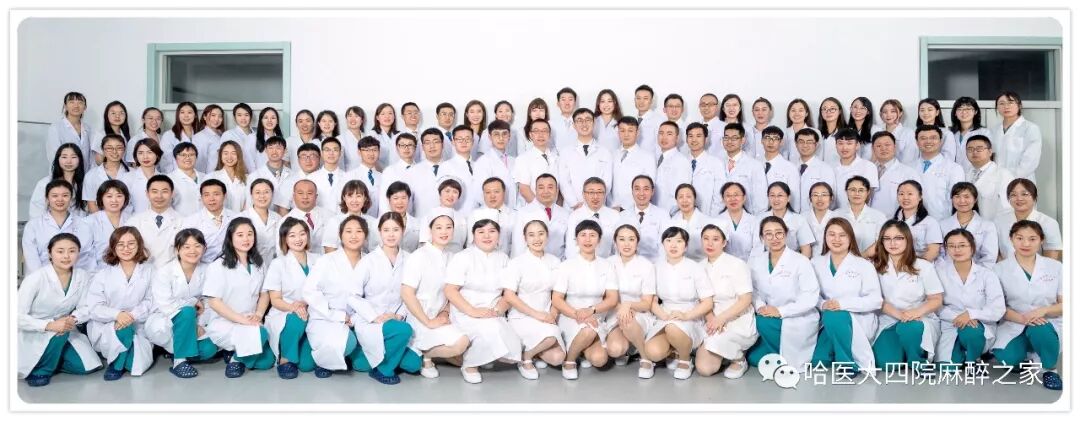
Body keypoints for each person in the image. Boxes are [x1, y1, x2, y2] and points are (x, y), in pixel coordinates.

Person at [18, 233, 102, 387]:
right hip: (34, 329)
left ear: (78, 253)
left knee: (85, 367)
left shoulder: (82, 276)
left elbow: (86, 307)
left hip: (66, 325)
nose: (66, 256)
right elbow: (16, 316)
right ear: (50, 253)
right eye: (60, 251)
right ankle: (41, 370)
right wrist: (50, 325)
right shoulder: (35, 278)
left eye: (72, 251)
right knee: (59, 332)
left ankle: (52, 358)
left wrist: (73, 319)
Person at [444, 219, 523, 384]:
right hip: (465, 311)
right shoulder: (463, 257)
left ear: (498, 235)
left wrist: (497, 311)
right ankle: (469, 365)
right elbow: (450, 290)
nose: (487, 236)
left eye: (492, 231)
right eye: (481, 232)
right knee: (490, 330)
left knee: (513, 347)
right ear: (473, 236)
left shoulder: (504, 259)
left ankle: (483, 356)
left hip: (492, 312)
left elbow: (508, 293)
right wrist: (472, 311)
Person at [991, 220, 1063, 390]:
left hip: (1047, 321)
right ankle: (1027, 355)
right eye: (1020, 238)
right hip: (1014, 321)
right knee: (1008, 359)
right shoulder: (998, 269)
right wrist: (1024, 318)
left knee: (1040, 329)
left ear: (1041, 240)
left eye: (1032, 239)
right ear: (1011, 239)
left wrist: (1043, 310)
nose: (1025, 244)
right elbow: (997, 306)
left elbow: (1066, 304)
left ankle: (1049, 370)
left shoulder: (1056, 267)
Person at [353, 212, 424, 384]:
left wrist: (399, 315)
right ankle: (383, 370)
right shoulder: (368, 261)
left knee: (414, 364)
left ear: (403, 231)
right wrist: (375, 317)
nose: (391, 234)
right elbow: (352, 295)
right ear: (379, 232)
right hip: (371, 320)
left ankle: (379, 355)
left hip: (397, 318)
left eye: (395, 230)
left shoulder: (411, 259)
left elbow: (413, 293)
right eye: (386, 230)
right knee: (404, 330)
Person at [400, 211, 470, 379]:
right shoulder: (418, 256)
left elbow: (453, 291)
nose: (444, 231)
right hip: (420, 317)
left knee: (466, 358)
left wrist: (445, 312)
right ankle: (426, 355)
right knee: (461, 344)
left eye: (448, 227)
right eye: (438, 227)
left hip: (442, 316)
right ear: (430, 231)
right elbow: (406, 293)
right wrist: (428, 322)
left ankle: (431, 351)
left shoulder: (453, 257)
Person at [746, 216, 820, 373]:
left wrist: (780, 311)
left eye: (779, 233)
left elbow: (810, 297)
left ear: (786, 235)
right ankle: (777, 352)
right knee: (753, 358)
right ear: (762, 238)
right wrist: (760, 306)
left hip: (797, 316)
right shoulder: (755, 261)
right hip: (768, 313)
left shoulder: (801, 261)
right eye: (768, 234)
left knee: (763, 326)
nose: (774, 238)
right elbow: (753, 290)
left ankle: (783, 357)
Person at [203, 217, 275, 378]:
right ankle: (236, 360)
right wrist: (242, 320)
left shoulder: (258, 263)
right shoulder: (218, 266)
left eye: (250, 234)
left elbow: (264, 293)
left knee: (267, 362)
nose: (246, 239)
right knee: (260, 334)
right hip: (225, 322)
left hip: (251, 319)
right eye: (240, 235)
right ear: (230, 237)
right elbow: (214, 302)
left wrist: (258, 315)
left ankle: (236, 352)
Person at [79, 227, 155, 380]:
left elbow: (151, 300)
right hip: (107, 324)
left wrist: (130, 316)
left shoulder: (150, 271)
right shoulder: (102, 274)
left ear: (139, 245)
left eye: (131, 243)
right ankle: (116, 365)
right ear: (113, 247)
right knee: (124, 333)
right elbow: (94, 307)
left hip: (138, 322)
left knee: (134, 364)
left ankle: (118, 357)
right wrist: (117, 315)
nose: (126, 248)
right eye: (120, 244)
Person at [641, 226, 715, 380]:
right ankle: (674, 351)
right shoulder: (655, 267)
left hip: (690, 315)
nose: (673, 245)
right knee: (653, 352)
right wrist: (663, 315)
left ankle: (685, 360)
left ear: (686, 246)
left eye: (679, 241)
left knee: (673, 328)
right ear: (663, 244)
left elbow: (707, 302)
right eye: (669, 241)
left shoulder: (695, 268)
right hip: (665, 314)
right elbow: (651, 300)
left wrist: (686, 316)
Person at [144, 229, 220, 379]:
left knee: (209, 349)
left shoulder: (208, 270)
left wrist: (199, 324)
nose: (192, 251)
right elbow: (165, 304)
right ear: (177, 249)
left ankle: (176, 351)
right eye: (186, 247)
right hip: (165, 320)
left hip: (195, 319)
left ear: (204, 248)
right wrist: (193, 302)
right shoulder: (165, 271)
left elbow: (210, 300)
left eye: (197, 246)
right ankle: (179, 361)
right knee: (187, 311)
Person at [870, 220, 944, 372]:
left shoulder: (923, 266)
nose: (892, 243)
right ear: (881, 242)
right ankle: (903, 348)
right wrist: (900, 315)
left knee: (910, 328)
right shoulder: (874, 266)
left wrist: (915, 313)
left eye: (898, 238)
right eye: (887, 238)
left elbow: (936, 300)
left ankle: (917, 360)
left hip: (917, 319)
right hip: (889, 318)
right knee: (887, 364)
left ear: (908, 239)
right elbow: (876, 300)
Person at [810, 218, 882, 372]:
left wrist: (841, 304)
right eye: (832, 234)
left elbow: (875, 300)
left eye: (842, 235)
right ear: (825, 237)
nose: (836, 239)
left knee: (835, 315)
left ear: (850, 238)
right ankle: (835, 347)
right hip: (826, 321)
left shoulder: (864, 265)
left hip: (857, 320)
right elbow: (809, 294)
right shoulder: (815, 263)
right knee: (818, 361)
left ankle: (847, 363)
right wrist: (823, 304)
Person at [552, 220, 619, 380]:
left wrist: (591, 310)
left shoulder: (607, 266)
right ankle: (569, 361)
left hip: (595, 317)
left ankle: (580, 348)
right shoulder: (566, 266)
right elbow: (557, 299)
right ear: (576, 240)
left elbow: (612, 299)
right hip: (570, 316)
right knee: (588, 330)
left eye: (592, 235)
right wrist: (578, 314)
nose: (587, 239)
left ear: (599, 240)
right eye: (583, 235)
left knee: (600, 360)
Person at [502, 219, 568, 379]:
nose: (537, 239)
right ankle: (525, 357)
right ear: (525, 238)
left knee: (558, 358)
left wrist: (553, 314)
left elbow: (558, 293)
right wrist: (537, 315)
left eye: (541, 234)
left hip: (546, 315)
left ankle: (533, 352)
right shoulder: (516, 263)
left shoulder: (555, 261)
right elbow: (509, 295)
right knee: (551, 336)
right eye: (531, 235)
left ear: (547, 236)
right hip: (522, 316)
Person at [934, 229, 1005, 369]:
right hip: (949, 324)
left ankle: (973, 359)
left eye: (962, 245)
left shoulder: (987, 275)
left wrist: (972, 315)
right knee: (946, 368)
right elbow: (935, 304)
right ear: (946, 249)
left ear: (972, 247)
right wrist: (960, 317)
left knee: (971, 331)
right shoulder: (939, 273)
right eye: (951, 246)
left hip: (978, 325)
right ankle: (961, 353)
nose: (957, 250)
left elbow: (997, 309)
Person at [697, 224, 757, 379]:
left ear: (724, 243)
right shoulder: (699, 267)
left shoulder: (737, 264)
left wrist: (721, 319)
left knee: (710, 361)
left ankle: (739, 359)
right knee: (704, 369)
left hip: (737, 318)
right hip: (711, 320)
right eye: (706, 239)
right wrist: (712, 319)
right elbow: (702, 299)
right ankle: (724, 354)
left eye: (716, 239)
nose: (710, 243)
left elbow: (746, 299)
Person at [263, 218, 318, 379]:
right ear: (284, 239)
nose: (298, 239)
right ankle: (285, 359)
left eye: (302, 234)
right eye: (292, 235)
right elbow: (275, 299)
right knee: (297, 318)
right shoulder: (278, 264)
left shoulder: (319, 260)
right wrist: (294, 307)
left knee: (307, 365)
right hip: (285, 313)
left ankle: (297, 342)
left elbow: (326, 290)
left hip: (314, 311)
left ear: (307, 235)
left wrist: (306, 304)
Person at [604, 224, 657, 375]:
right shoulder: (607, 263)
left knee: (627, 321)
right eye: (622, 239)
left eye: (631, 239)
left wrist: (629, 306)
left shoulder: (646, 265)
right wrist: (622, 309)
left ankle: (645, 358)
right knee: (615, 350)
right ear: (615, 242)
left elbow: (647, 303)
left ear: (637, 242)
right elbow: (605, 296)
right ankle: (628, 349)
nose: (626, 244)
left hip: (639, 313)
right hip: (614, 312)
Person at [23, 179, 94, 273]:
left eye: (65, 195)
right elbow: (32, 260)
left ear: (71, 198)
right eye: (55, 196)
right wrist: (46, 279)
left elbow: (87, 259)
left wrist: (73, 278)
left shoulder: (83, 225)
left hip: (75, 278)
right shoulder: (33, 226)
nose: (60, 199)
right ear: (47, 199)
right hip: (41, 278)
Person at [993, 179, 1062, 261]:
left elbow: (1051, 260)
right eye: (1013, 195)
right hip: (1005, 267)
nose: (1019, 198)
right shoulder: (999, 221)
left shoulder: (1048, 223)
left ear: (1034, 197)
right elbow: (995, 253)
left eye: (1024, 194)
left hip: (1038, 268)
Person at [559, 108, 613, 210]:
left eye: (588, 120)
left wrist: (595, 201)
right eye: (579, 120)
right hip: (573, 208)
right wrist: (574, 203)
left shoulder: (605, 152)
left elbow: (607, 182)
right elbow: (564, 182)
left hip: (598, 206)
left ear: (594, 123)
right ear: (574, 125)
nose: (584, 124)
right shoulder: (565, 152)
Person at [128, 175, 183, 268]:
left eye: (164, 191)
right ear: (147, 193)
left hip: (172, 273)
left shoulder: (183, 221)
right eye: (154, 191)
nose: (159, 196)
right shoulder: (134, 222)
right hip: (142, 271)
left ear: (172, 193)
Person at [939, 182, 999, 268]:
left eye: (966, 197)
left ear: (975, 199)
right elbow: (939, 255)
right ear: (952, 199)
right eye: (957, 196)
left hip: (979, 272)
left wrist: (974, 273)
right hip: (948, 272)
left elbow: (989, 258)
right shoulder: (942, 225)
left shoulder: (988, 226)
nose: (962, 201)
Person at [913, 125, 965, 220]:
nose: (928, 141)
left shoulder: (954, 168)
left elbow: (958, 200)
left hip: (943, 222)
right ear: (917, 142)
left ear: (941, 141)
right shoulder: (909, 167)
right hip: (913, 222)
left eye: (933, 138)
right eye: (923, 138)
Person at [513, 173, 569, 259]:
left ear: (557, 190)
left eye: (550, 187)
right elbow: (518, 246)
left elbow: (569, 246)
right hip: (532, 264)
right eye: (541, 187)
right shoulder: (523, 213)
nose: (546, 191)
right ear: (535, 190)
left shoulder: (565, 214)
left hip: (559, 264)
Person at [182, 179, 238, 264]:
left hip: (231, 265)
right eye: (206, 195)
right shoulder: (190, 221)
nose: (211, 199)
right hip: (202, 266)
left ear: (225, 195)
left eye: (216, 194)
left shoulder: (236, 218)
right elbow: (184, 249)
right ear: (201, 197)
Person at [990, 91, 1042, 182]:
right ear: (997, 107)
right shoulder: (994, 130)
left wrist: (1011, 178)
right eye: (1001, 103)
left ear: (1019, 105)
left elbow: (1031, 160)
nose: (1006, 106)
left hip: (1021, 181)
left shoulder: (1030, 128)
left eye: (1010, 102)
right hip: (997, 180)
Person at [564, 177, 620, 258]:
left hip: (608, 263)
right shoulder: (575, 216)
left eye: (600, 192)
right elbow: (571, 248)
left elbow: (618, 247)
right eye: (591, 192)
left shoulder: (615, 216)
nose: (595, 196)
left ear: (605, 194)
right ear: (583, 194)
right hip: (581, 263)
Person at [609, 117, 657, 212]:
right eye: (622, 130)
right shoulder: (612, 155)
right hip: (612, 208)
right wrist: (611, 206)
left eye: (630, 131)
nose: (626, 134)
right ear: (618, 133)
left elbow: (650, 186)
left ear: (637, 132)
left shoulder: (648, 157)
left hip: (634, 210)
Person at [718, 123, 768, 213]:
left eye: (734, 138)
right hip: (721, 215)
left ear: (743, 140)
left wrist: (757, 218)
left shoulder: (755, 165)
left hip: (747, 216)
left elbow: (761, 199)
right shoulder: (717, 163)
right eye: (726, 138)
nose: (729, 141)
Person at [513, 119, 564, 206]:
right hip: (532, 209)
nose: (541, 135)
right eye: (536, 131)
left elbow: (559, 188)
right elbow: (524, 190)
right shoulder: (522, 159)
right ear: (530, 135)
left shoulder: (556, 158)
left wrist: (555, 209)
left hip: (553, 209)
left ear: (549, 135)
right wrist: (542, 209)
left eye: (544, 131)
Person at [870, 131, 921, 216]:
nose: (883, 148)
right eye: (878, 146)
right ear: (873, 149)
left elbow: (915, 202)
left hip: (895, 220)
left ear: (895, 147)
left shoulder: (909, 173)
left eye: (887, 145)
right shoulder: (868, 170)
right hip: (869, 219)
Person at [30, 143, 87, 219]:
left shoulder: (84, 183)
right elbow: (36, 212)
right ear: (58, 159)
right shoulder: (44, 183)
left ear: (79, 160)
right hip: (49, 225)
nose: (69, 161)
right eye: (64, 157)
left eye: (73, 157)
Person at [322, 180, 381, 253]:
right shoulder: (335, 221)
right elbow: (329, 250)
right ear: (344, 198)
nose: (354, 200)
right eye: (350, 196)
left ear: (365, 198)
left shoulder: (373, 222)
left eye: (358, 196)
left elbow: (375, 250)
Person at [278, 179, 336, 254]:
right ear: (294, 196)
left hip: (328, 259)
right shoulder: (284, 221)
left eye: (309, 193)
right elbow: (281, 252)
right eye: (300, 193)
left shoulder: (330, 216)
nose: (305, 197)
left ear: (316, 196)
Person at [85, 181, 132, 272]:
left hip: (127, 271)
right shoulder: (89, 222)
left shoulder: (133, 220)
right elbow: (86, 255)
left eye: (119, 196)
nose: (114, 200)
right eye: (109, 196)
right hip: (98, 272)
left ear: (125, 198)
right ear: (101, 198)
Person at [964, 135, 1014, 219]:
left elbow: (1008, 207)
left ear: (990, 152)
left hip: (995, 223)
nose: (974, 152)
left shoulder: (1003, 175)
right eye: (970, 149)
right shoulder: (965, 174)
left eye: (979, 149)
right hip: (970, 223)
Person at [616, 175, 666, 260]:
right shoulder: (622, 216)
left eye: (646, 189)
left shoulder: (663, 215)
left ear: (652, 191)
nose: (641, 193)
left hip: (655, 264)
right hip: (628, 263)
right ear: (632, 191)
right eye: (637, 189)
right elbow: (617, 246)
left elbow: (665, 247)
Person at [893, 180, 944, 262]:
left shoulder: (930, 222)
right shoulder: (892, 222)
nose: (905, 197)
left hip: (921, 265)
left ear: (920, 197)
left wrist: (916, 266)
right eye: (901, 194)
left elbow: (933, 250)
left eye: (910, 194)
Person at [760, 182, 814, 257]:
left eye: (780, 195)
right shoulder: (760, 219)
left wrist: (800, 264)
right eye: (772, 195)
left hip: (793, 260)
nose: (776, 199)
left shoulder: (799, 219)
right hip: (767, 259)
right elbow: (757, 248)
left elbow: (806, 249)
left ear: (788, 198)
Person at [471, 121, 518, 208]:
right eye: (496, 134)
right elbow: (478, 193)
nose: (501, 138)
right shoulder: (482, 162)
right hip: (492, 211)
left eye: (504, 134)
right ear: (490, 137)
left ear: (509, 136)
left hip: (514, 211)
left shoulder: (514, 161)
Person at [838, 176, 887, 256]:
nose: (857, 193)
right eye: (852, 190)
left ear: (868, 192)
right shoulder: (836, 214)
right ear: (846, 191)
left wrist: (862, 257)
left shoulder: (879, 216)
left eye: (861, 190)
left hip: (869, 260)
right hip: (841, 260)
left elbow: (882, 242)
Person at [467, 177, 517, 255]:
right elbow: (470, 244)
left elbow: (517, 246)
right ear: (483, 194)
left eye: (496, 192)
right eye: (488, 192)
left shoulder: (515, 216)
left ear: (504, 193)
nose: (492, 196)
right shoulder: (474, 215)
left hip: (507, 259)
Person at [833, 128, 879, 211]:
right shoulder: (830, 167)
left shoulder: (868, 166)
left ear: (857, 145)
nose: (844, 147)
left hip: (860, 213)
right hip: (835, 214)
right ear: (835, 145)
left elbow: (869, 196)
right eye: (840, 143)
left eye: (849, 143)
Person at [684, 122, 724, 216]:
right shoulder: (681, 161)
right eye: (690, 136)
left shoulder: (716, 163)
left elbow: (719, 195)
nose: (694, 139)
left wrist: (711, 217)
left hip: (708, 215)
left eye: (698, 136)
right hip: (683, 214)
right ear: (686, 139)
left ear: (705, 139)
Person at [714, 182, 762, 261]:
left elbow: (758, 248)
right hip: (723, 264)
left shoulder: (754, 221)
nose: (732, 199)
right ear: (723, 199)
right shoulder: (716, 221)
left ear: (744, 198)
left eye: (736, 195)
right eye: (728, 195)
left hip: (749, 265)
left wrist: (748, 266)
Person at [45, 92, 92, 172]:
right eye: (71, 102)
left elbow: (90, 157)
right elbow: (54, 155)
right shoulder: (56, 127)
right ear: (65, 106)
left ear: (85, 107)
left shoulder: (88, 129)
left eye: (80, 102)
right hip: (63, 174)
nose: (76, 106)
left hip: (84, 175)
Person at [419, 177, 470, 252]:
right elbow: (424, 242)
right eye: (447, 191)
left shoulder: (462, 218)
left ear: (459, 196)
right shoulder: (430, 215)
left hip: (458, 256)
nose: (451, 195)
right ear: (440, 193)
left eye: (455, 192)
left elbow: (463, 244)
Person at [794, 128, 837, 214]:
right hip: (792, 216)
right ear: (796, 144)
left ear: (816, 144)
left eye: (809, 142)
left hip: (815, 216)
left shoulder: (825, 169)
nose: (805, 145)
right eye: (801, 142)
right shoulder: (790, 167)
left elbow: (830, 199)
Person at [654, 121, 693, 214]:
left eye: (669, 134)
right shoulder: (657, 158)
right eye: (661, 133)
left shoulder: (681, 161)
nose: (664, 137)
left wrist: (668, 215)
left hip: (669, 214)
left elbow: (681, 194)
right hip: (654, 212)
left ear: (677, 138)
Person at [84, 134, 128, 213]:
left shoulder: (132, 173)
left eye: (119, 148)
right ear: (102, 150)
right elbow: (92, 205)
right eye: (109, 148)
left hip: (128, 218)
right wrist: (104, 220)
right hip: (100, 219)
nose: (114, 151)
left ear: (124, 150)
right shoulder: (91, 175)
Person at [273, 143, 322, 214]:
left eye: (312, 156)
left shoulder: (326, 178)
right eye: (304, 156)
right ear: (298, 160)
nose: (308, 160)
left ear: (319, 159)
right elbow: (282, 209)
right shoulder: (289, 181)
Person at [118, 139, 164, 214]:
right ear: (136, 156)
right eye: (140, 153)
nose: (145, 157)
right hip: (135, 220)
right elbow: (124, 206)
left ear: (157, 154)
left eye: (149, 152)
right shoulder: (127, 178)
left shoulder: (165, 178)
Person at [377, 133, 420, 214]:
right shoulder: (389, 171)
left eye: (410, 145)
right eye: (402, 145)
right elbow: (384, 201)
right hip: (396, 218)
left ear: (415, 148)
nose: (406, 148)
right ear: (397, 148)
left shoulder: (422, 170)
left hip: (419, 217)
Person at [242, 178, 283, 262]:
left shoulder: (278, 218)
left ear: (272, 194)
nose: (262, 196)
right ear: (251, 195)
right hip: (250, 263)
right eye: (257, 192)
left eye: (266, 192)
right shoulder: (242, 218)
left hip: (274, 264)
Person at [668, 184, 709, 261]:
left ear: (694, 199)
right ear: (676, 200)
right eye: (681, 197)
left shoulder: (706, 221)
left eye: (688, 196)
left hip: (700, 263)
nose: (684, 200)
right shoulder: (672, 221)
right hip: (677, 262)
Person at [343, 137, 381, 217]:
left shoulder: (383, 177)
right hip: (355, 220)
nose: (371, 153)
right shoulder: (349, 176)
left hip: (378, 221)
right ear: (359, 152)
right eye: (367, 150)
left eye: (374, 150)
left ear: (379, 152)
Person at [950, 97, 989, 172]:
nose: (964, 112)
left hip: (976, 173)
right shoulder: (950, 133)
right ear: (955, 113)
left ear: (975, 111)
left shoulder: (984, 132)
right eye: (960, 109)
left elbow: (989, 156)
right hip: (953, 173)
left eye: (968, 109)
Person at [209, 140, 249, 213]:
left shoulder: (247, 178)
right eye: (225, 153)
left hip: (241, 218)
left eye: (233, 153)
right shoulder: (211, 177)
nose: (229, 157)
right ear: (220, 155)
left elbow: (248, 204)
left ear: (239, 155)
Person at [158, 102, 198, 174]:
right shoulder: (169, 135)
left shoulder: (200, 135)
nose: (186, 115)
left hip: (198, 175)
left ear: (195, 115)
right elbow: (165, 162)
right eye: (182, 112)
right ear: (178, 115)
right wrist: (172, 177)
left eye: (189, 112)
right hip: (176, 176)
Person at [167, 142, 205, 217]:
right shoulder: (169, 179)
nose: (187, 158)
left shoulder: (205, 177)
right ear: (175, 158)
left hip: (204, 221)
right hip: (180, 221)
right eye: (183, 155)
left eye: (191, 155)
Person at [916, 99, 958, 163]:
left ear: (937, 112)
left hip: (940, 168)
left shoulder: (946, 134)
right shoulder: (914, 133)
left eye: (930, 110)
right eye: (922, 110)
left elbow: (948, 158)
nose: (926, 113)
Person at [384, 181, 421, 252]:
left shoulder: (418, 224)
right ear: (389, 200)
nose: (400, 202)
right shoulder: (378, 223)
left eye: (403, 198)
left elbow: (421, 249)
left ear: (409, 199)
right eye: (396, 198)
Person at [879, 100, 918, 166]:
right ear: (881, 114)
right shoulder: (877, 132)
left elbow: (910, 160)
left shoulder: (908, 133)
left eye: (893, 111)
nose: (888, 115)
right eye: (885, 112)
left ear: (900, 113)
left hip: (901, 170)